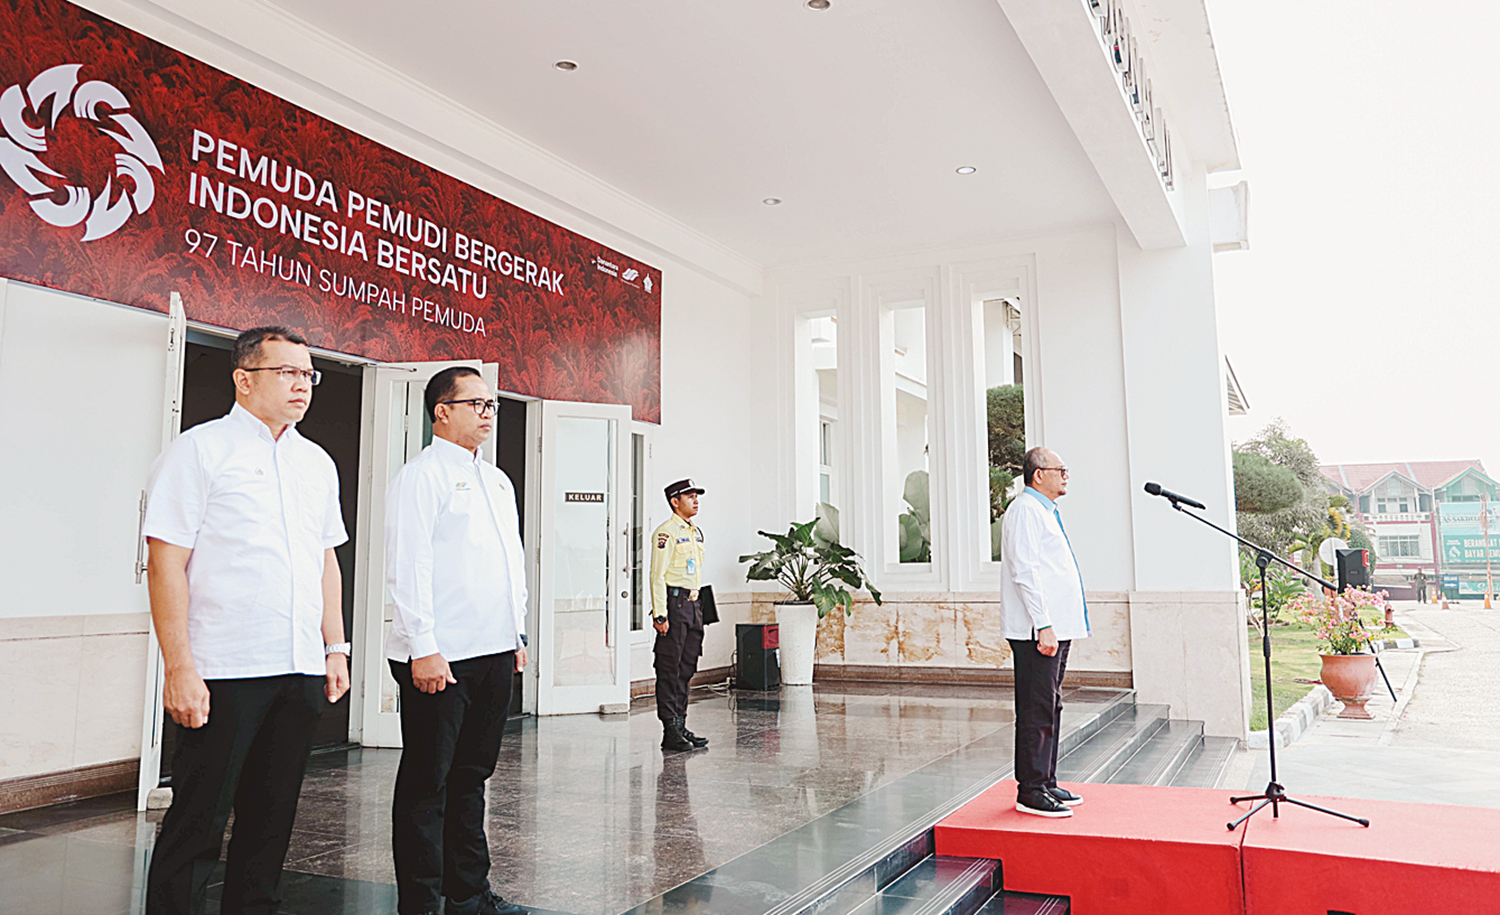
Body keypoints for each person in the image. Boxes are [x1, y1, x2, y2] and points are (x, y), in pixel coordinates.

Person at [143, 326, 351, 915]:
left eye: (308, 374)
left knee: (271, 823)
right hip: (224, 670)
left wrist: (335, 647)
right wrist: (179, 669)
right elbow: (165, 564)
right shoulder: (199, 451)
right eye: (286, 372)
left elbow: (325, 562)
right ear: (244, 379)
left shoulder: (316, 462)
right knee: (198, 821)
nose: (302, 385)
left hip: (298, 668)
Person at [385, 366, 528, 915]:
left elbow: (510, 563)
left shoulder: (496, 480)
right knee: (428, 784)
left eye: (492, 405)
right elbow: (409, 564)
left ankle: (468, 893)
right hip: (439, 658)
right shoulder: (421, 477)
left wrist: (515, 631)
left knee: (472, 778)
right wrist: (422, 645)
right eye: (476, 404)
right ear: (441, 411)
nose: (488, 413)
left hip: (493, 650)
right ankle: (420, 901)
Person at [999, 447, 1090, 818]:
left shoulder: (1045, 511)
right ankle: (1031, 790)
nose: (1066, 476)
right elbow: (1025, 570)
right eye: (1060, 470)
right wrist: (1044, 624)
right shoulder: (1024, 510)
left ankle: (1046, 780)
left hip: (1054, 626)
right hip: (1036, 630)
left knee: (1051, 704)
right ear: (1038, 474)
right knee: (1036, 708)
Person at [651, 479, 709, 752]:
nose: (695, 500)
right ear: (675, 502)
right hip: (674, 606)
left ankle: (681, 724)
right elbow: (657, 575)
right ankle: (670, 729)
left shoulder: (695, 532)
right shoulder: (666, 533)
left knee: (686, 668)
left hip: (694, 606)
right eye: (689, 496)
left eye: (697, 496)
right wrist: (660, 615)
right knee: (669, 668)